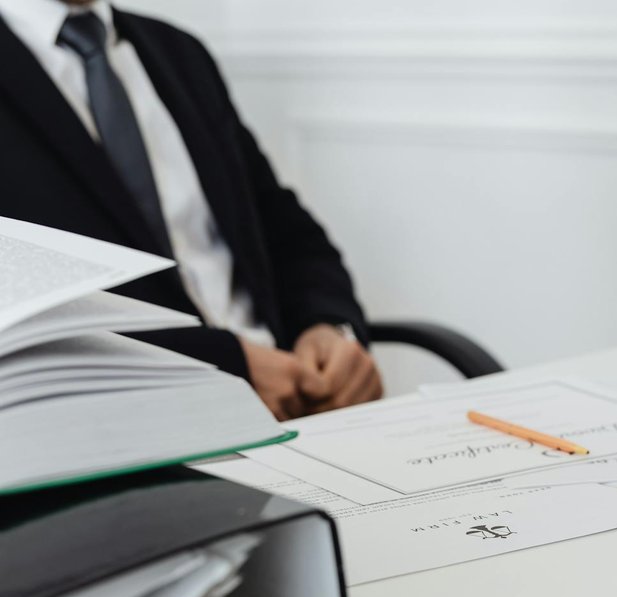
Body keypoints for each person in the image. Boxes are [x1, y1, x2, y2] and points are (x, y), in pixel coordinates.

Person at [0, 0, 382, 419]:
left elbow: (285, 232)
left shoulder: (178, 52)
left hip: (296, 402)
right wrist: (227, 364)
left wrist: (328, 327)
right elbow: (29, 308)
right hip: (125, 423)